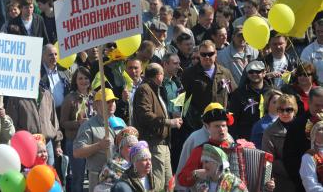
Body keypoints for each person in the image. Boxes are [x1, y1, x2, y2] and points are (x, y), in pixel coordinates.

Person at [132, 63, 182, 191]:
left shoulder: (154, 89)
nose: (163, 77)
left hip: (163, 143)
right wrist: (169, 122)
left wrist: (170, 116)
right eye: (162, 74)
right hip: (154, 143)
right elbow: (145, 114)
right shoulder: (144, 89)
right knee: (158, 183)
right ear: (158, 75)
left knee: (169, 183)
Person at [174, 103, 235, 191]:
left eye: (224, 125)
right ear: (207, 126)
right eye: (217, 126)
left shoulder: (233, 144)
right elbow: (182, 178)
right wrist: (195, 174)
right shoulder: (199, 147)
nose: (221, 129)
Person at [181, 40, 236, 133]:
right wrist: (192, 121)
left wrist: (228, 115)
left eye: (210, 54)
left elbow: (234, 96)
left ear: (216, 54)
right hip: (199, 126)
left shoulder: (225, 73)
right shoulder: (188, 74)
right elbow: (183, 101)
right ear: (199, 55)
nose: (207, 57)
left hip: (221, 125)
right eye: (203, 54)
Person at [73, 88, 119, 192]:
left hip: (119, 175)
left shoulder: (120, 122)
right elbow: (77, 152)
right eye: (107, 102)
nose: (111, 104)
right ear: (97, 105)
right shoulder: (88, 125)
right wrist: (99, 145)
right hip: (99, 178)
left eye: (113, 101)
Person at [283, 87, 323, 192]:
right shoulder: (297, 125)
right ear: (309, 103)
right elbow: (289, 158)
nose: (321, 109)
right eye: (317, 105)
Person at [60, 67, 93, 192]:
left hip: (93, 142)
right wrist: (78, 123)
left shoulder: (94, 96)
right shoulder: (70, 99)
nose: (83, 81)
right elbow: (63, 123)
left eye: (86, 78)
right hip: (75, 142)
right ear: (75, 81)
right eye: (80, 78)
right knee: (77, 178)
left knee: (93, 176)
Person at [262, 94, 298, 192]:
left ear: (294, 110)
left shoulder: (304, 128)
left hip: (305, 178)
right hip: (282, 182)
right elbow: (268, 160)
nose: (284, 113)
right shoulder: (269, 132)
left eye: (289, 109)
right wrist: (291, 170)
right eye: (280, 110)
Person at [229, 60, 272, 140]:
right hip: (246, 138)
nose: (254, 74)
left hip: (268, 136)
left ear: (264, 73)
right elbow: (232, 119)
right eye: (251, 72)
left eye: (258, 72)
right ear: (247, 74)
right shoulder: (238, 94)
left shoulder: (272, 92)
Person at [95, 127, 139, 191]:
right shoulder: (113, 165)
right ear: (120, 148)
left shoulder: (138, 162)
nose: (133, 149)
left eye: (135, 146)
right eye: (130, 146)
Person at [301, 18, 323, 83]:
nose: (320, 34)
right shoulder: (308, 51)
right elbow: (304, 74)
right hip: (317, 89)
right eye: (318, 31)